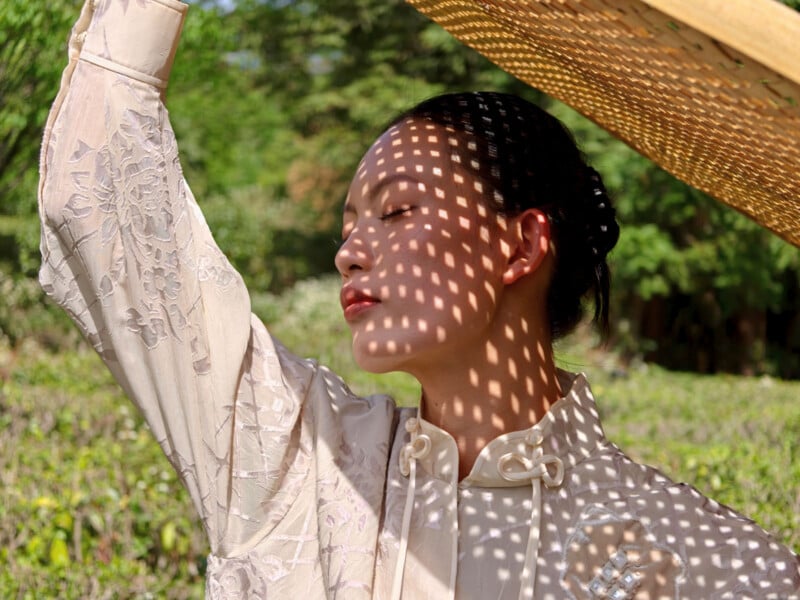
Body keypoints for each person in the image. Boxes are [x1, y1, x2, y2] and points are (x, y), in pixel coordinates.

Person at [38, 1, 800, 599]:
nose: (349, 250)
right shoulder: (297, 463)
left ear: (521, 245)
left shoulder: (706, 562)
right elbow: (99, 196)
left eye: (398, 212)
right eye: (349, 224)